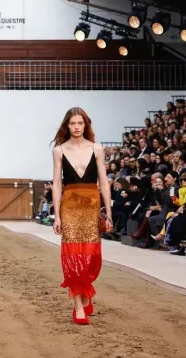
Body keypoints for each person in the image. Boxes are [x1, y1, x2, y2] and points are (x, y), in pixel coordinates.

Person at [51, 107, 112, 326]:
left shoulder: (97, 148)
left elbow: (104, 182)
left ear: (85, 125)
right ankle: (78, 307)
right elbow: (57, 183)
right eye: (72, 123)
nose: (76, 127)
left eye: (80, 123)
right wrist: (57, 215)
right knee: (72, 256)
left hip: (92, 206)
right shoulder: (59, 150)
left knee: (91, 258)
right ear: (67, 126)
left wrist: (108, 212)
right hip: (69, 206)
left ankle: (86, 291)